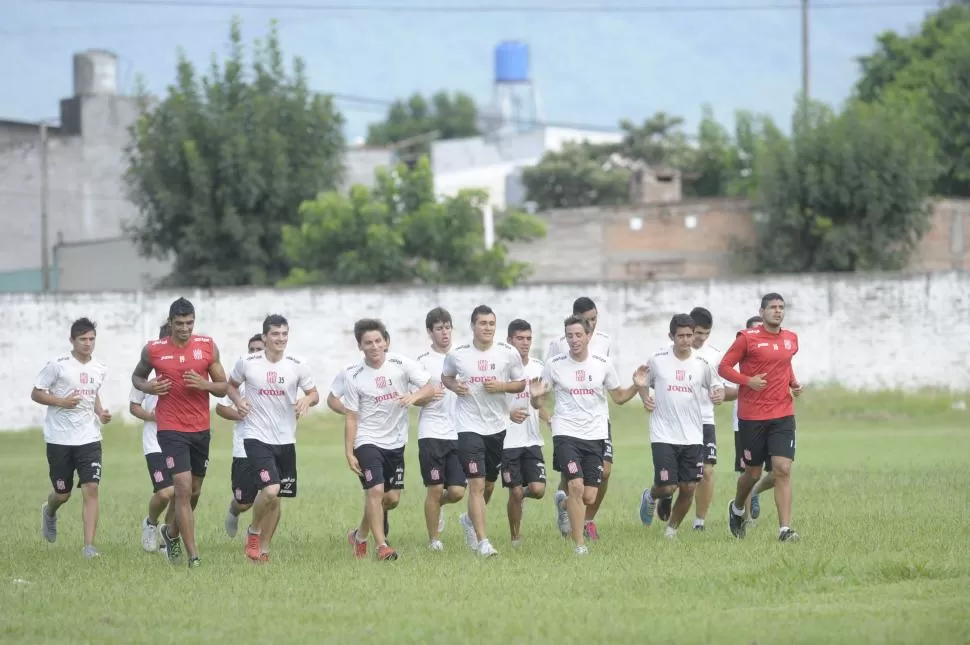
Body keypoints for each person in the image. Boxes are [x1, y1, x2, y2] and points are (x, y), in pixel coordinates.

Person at [530, 315, 644, 555]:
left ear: (589, 336)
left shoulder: (602, 363)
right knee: (577, 486)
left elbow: (619, 397)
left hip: (595, 435)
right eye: (569, 336)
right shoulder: (554, 364)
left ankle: (562, 503)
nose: (574, 340)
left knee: (590, 496)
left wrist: (636, 385)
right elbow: (538, 399)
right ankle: (579, 544)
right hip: (566, 433)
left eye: (578, 335)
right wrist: (535, 397)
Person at [131, 297, 229, 568]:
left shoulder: (207, 347)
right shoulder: (154, 350)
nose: (185, 328)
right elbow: (137, 378)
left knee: (195, 490)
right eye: (179, 324)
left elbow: (224, 387)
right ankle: (193, 556)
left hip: (200, 428)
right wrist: (149, 387)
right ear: (170, 323)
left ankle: (170, 533)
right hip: (170, 427)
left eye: (189, 323)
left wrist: (204, 384)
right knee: (182, 489)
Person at [225, 315, 318, 562]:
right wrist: (238, 401)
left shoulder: (297, 364)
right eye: (275, 334)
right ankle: (254, 531)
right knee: (271, 489)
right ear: (265, 337)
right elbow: (230, 386)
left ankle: (263, 550)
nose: (281, 339)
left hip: (286, 440)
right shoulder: (248, 362)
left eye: (284, 334)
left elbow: (314, 393)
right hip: (256, 437)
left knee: (276, 498)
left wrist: (306, 400)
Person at [344, 319, 434, 561]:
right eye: (368, 343)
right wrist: (349, 451)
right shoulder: (354, 376)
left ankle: (359, 535)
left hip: (395, 441)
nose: (374, 346)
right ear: (360, 346)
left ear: (386, 342)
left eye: (377, 341)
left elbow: (429, 386)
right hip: (367, 440)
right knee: (375, 489)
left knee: (390, 499)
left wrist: (413, 396)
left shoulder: (401, 364)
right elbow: (351, 417)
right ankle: (382, 546)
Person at [441, 305, 526, 558]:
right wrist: (455, 386)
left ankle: (469, 519)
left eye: (491, 323)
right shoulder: (458, 354)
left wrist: (501, 386)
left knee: (488, 486)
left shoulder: (508, 353)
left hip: (497, 426)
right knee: (476, 484)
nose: (487, 328)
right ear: (473, 326)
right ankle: (483, 542)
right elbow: (446, 377)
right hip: (468, 427)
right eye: (482, 323)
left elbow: (521, 383)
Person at [719, 293, 802, 542]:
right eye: (772, 307)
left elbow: (784, 364)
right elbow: (723, 367)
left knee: (782, 469)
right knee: (752, 474)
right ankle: (737, 507)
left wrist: (794, 383)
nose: (777, 311)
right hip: (752, 417)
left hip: (783, 414)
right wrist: (747, 381)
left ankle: (785, 530)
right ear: (762, 311)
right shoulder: (747, 339)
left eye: (781, 307)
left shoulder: (791, 339)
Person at [638, 314, 725, 539]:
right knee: (667, 487)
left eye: (689, 335)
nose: (686, 340)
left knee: (688, 488)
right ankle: (650, 496)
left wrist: (718, 394)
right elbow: (642, 381)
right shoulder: (657, 359)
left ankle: (671, 530)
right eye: (681, 336)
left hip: (693, 436)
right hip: (663, 434)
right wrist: (644, 396)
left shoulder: (702, 364)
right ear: (671, 336)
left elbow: (717, 387)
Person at [33, 317, 111, 558]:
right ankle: (50, 511)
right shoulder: (58, 365)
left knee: (91, 488)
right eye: (83, 339)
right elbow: (36, 393)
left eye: (91, 339)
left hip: (89, 437)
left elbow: (93, 393)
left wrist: (100, 412)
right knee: (63, 493)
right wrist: (61, 402)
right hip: (59, 439)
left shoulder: (99, 368)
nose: (88, 344)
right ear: (72, 340)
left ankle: (88, 547)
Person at [546, 297, 612, 540]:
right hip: (568, 422)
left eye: (595, 319)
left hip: (598, 420)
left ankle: (586, 516)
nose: (592, 324)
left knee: (603, 473)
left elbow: (607, 382)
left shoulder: (604, 342)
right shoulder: (558, 345)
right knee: (572, 479)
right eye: (588, 320)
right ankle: (575, 523)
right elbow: (547, 381)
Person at [681, 306, 738, 531]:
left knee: (707, 471)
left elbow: (727, 389)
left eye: (706, 333)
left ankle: (699, 523)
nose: (701, 338)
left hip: (705, 420)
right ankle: (659, 494)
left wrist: (725, 393)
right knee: (678, 479)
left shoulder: (715, 356)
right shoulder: (672, 352)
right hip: (678, 421)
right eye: (697, 333)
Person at [414, 308, 465, 551]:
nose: (444, 332)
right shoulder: (422, 362)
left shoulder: (463, 356)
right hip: (431, 431)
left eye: (447, 327)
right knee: (434, 487)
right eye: (439, 328)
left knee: (456, 492)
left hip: (459, 431)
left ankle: (438, 505)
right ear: (430, 332)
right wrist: (427, 396)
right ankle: (435, 540)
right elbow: (414, 399)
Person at [216, 333, 265, 540]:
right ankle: (234, 510)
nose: (254, 353)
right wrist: (239, 414)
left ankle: (258, 539)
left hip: (272, 445)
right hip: (244, 449)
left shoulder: (278, 376)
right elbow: (220, 408)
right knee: (245, 501)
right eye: (251, 349)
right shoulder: (239, 380)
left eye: (259, 349)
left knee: (272, 494)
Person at [130, 322, 174, 553]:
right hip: (155, 442)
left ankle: (169, 537)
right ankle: (151, 522)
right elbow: (133, 407)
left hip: (180, 440)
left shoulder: (186, 371)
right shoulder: (146, 375)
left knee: (181, 493)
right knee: (165, 492)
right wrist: (154, 416)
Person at [504, 319, 547, 546]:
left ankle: (522, 494)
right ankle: (515, 538)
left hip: (532, 439)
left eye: (528, 338)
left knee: (538, 490)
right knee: (515, 493)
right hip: (508, 441)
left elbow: (538, 405)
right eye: (519, 338)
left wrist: (538, 400)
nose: (525, 343)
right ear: (509, 340)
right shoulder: (501, 367)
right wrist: (508, 414)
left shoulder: (538, 368)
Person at [732, 315, 774, 521]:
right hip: (747, 421)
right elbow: (725, 374)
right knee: (748, 472)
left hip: (775, 418)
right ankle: (745, 518)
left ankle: (756, 491)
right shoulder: (742, 352)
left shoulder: (776, 355)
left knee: (778, 472)